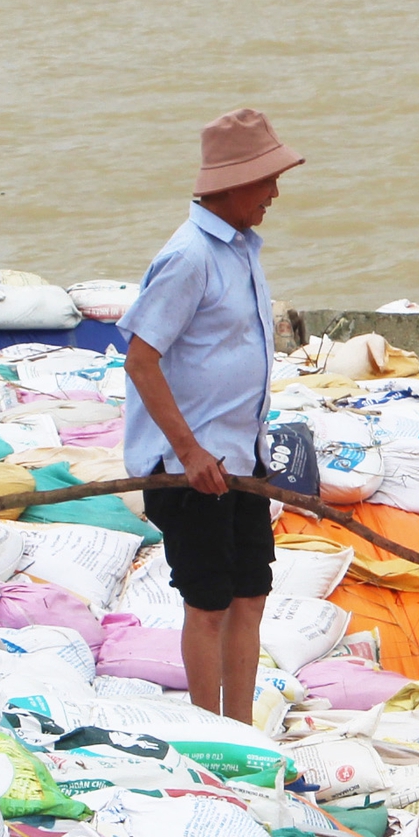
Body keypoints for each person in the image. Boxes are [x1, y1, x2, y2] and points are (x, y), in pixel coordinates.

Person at [119, 108, 304, 723]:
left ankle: (240, 729)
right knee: (208, 604)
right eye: (266, 180)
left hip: (240, 457)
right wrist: (192, 452)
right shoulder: (189, 257)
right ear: (230, 185)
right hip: (187, 468)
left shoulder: (243, 249)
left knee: (250, 595)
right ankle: (206, 730)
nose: (275, 193)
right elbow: (142, 361)